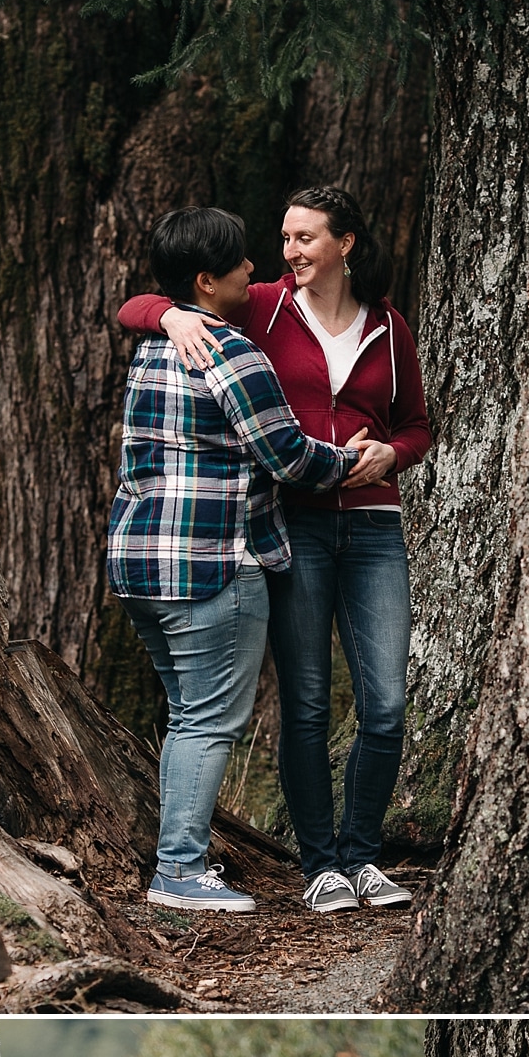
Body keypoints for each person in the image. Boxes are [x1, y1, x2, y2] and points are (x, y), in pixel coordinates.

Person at [119, 188, 433, 916]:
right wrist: (166, 313)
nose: (287, 251)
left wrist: (391, 454)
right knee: (308, 702)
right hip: (293, 526)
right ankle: (320, 866)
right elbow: (147, 302)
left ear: (345, 243)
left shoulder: (388, 326)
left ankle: (362, 856)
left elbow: (417, 424)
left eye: (303, 238)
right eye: (282, 236)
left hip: (372, 526)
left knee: (384, 706)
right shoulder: (257, 307)